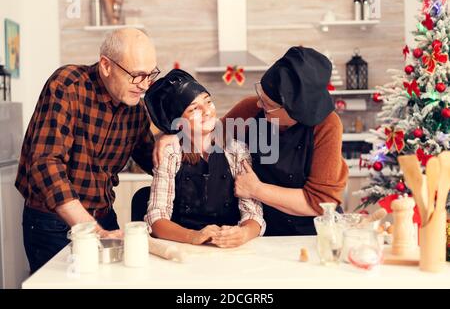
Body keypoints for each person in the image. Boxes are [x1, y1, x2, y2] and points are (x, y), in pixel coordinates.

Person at [154, 46, 348, 238]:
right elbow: (210, 134)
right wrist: (173, 134)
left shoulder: (327, 126)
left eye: (268, 105)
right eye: (260, 96)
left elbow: (322, 202)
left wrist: (257, 190)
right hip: (267, 231)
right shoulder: (249, 110)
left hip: (313, 233)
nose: (258, 104)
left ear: (295, 111)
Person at [15, 28, 159, 273]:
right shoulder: (68, 85)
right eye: (137, 75)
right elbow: (46, 163)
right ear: (106, 65)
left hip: (103, 217)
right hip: (52, 224)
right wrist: (91, 230)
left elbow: (152, 159)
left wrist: (168, 142)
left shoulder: (135, 109)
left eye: (150, 75)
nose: (144, 85)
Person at [143, 69, 265, 248]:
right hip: (183, 248)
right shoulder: (171, 154)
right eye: (194, 109)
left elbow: (253, 214)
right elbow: (156, 218)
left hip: (229, 249)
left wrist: (243, 233)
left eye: (208, 101)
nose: (207, 111)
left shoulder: (237, 151)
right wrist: (193, 236)